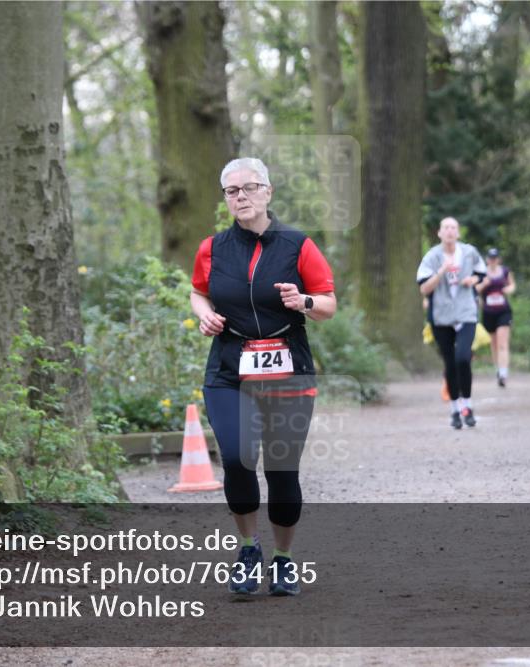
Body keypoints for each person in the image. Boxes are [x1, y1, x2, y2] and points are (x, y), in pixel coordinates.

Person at [190, 157, 336, 596]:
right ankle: (248, 549)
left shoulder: (297, 245)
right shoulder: (212, 248)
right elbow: (198, 292)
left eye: (250, 188)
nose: (241, 197)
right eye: (232, 191)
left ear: (268, 192)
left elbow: (328, 304)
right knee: (236, 458)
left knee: (281, 469)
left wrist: (303, 301)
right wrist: (205, 316)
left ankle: (284, 559)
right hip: (229, 367)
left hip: (287, 365)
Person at [416, 217, 487, 429]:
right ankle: (455, 409)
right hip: (441, 316)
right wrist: (441, 272)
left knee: (463, 358)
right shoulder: (432, 257)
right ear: (439, 233)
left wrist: (472, 280)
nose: (449, 231)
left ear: (458, 232)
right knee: (450, 362)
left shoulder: (469, 253)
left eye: (453, 228)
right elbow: (424, 289)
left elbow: (481, 274)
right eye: (445, 228)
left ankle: (468, 405)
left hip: (466, 313)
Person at [475, 248, 515, 387]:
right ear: (487, 259)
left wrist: (508, 289)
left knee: (502, 342)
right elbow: (475, 289)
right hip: (488, 312)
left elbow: (512, 285)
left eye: (495, 258)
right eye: (490, 258)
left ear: (498, 259)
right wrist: (484, 284)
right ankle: (498, 369)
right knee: (494, 343)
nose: (493, 260)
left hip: (503, 311)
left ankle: (503, 374)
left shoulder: (505, 271)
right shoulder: (482, 272)